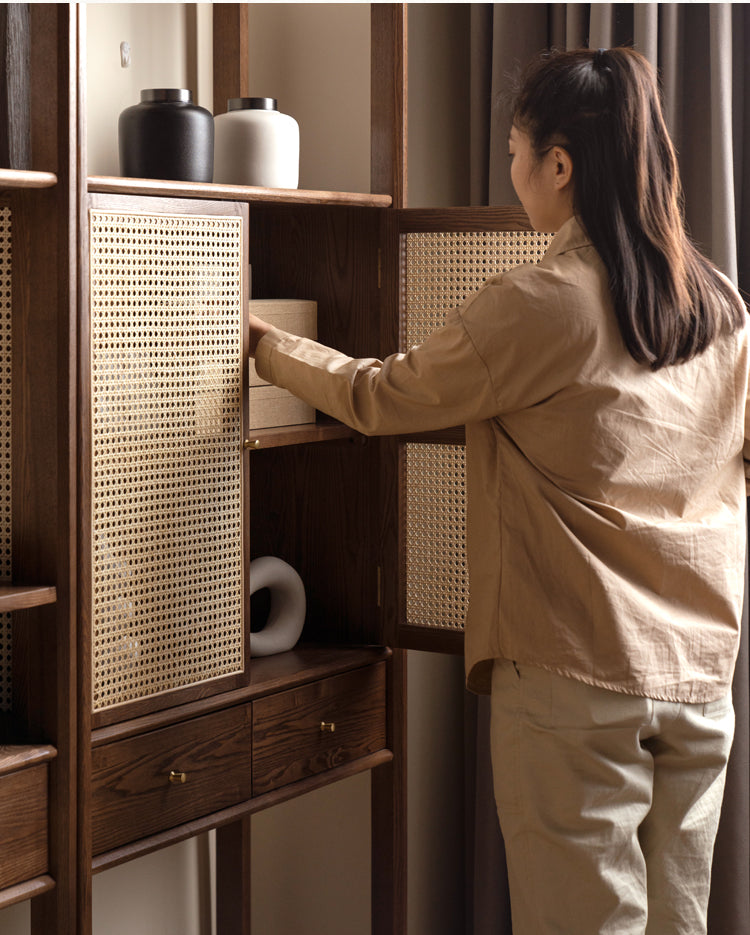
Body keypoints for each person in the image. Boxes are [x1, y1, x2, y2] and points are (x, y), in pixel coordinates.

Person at [248, 47, 749, 935]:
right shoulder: (717, 304)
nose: (513, 175)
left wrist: (267, 343)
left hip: (574, 675)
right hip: (701, 676)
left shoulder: (543, 301)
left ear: (560, 164)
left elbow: (380, 395)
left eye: (517, 153)